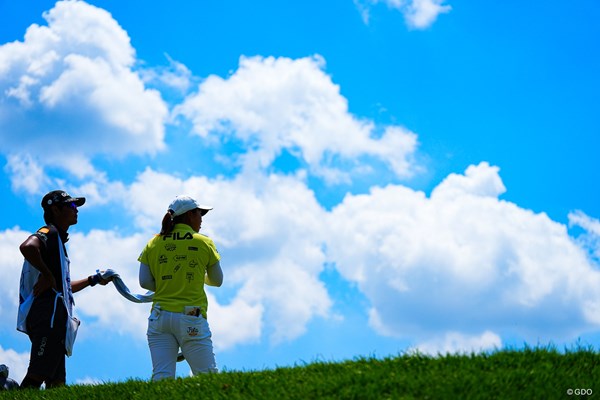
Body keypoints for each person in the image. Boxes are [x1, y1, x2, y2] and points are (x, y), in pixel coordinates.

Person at [17, 190, 112, 389]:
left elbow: (64, 288)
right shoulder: (49, 232)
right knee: (37, 374)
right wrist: (48, 274)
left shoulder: (58, 240)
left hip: (55, 316)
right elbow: (27, 247)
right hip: (48, 315)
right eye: (71, 206)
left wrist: (93, 279)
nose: (76, 210)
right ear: (55, 209)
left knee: (57, 383)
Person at [138, 195, 223, 381]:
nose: (201, 219)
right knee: (208, 378)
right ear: (190, 215)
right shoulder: (203, 242)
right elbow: (217, 280)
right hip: (191, 317)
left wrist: (168, 285)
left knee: (161, 377)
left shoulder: (153, 243)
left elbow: (144, 282)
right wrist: (197, 278)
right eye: (200, 214)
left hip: (159, 317)